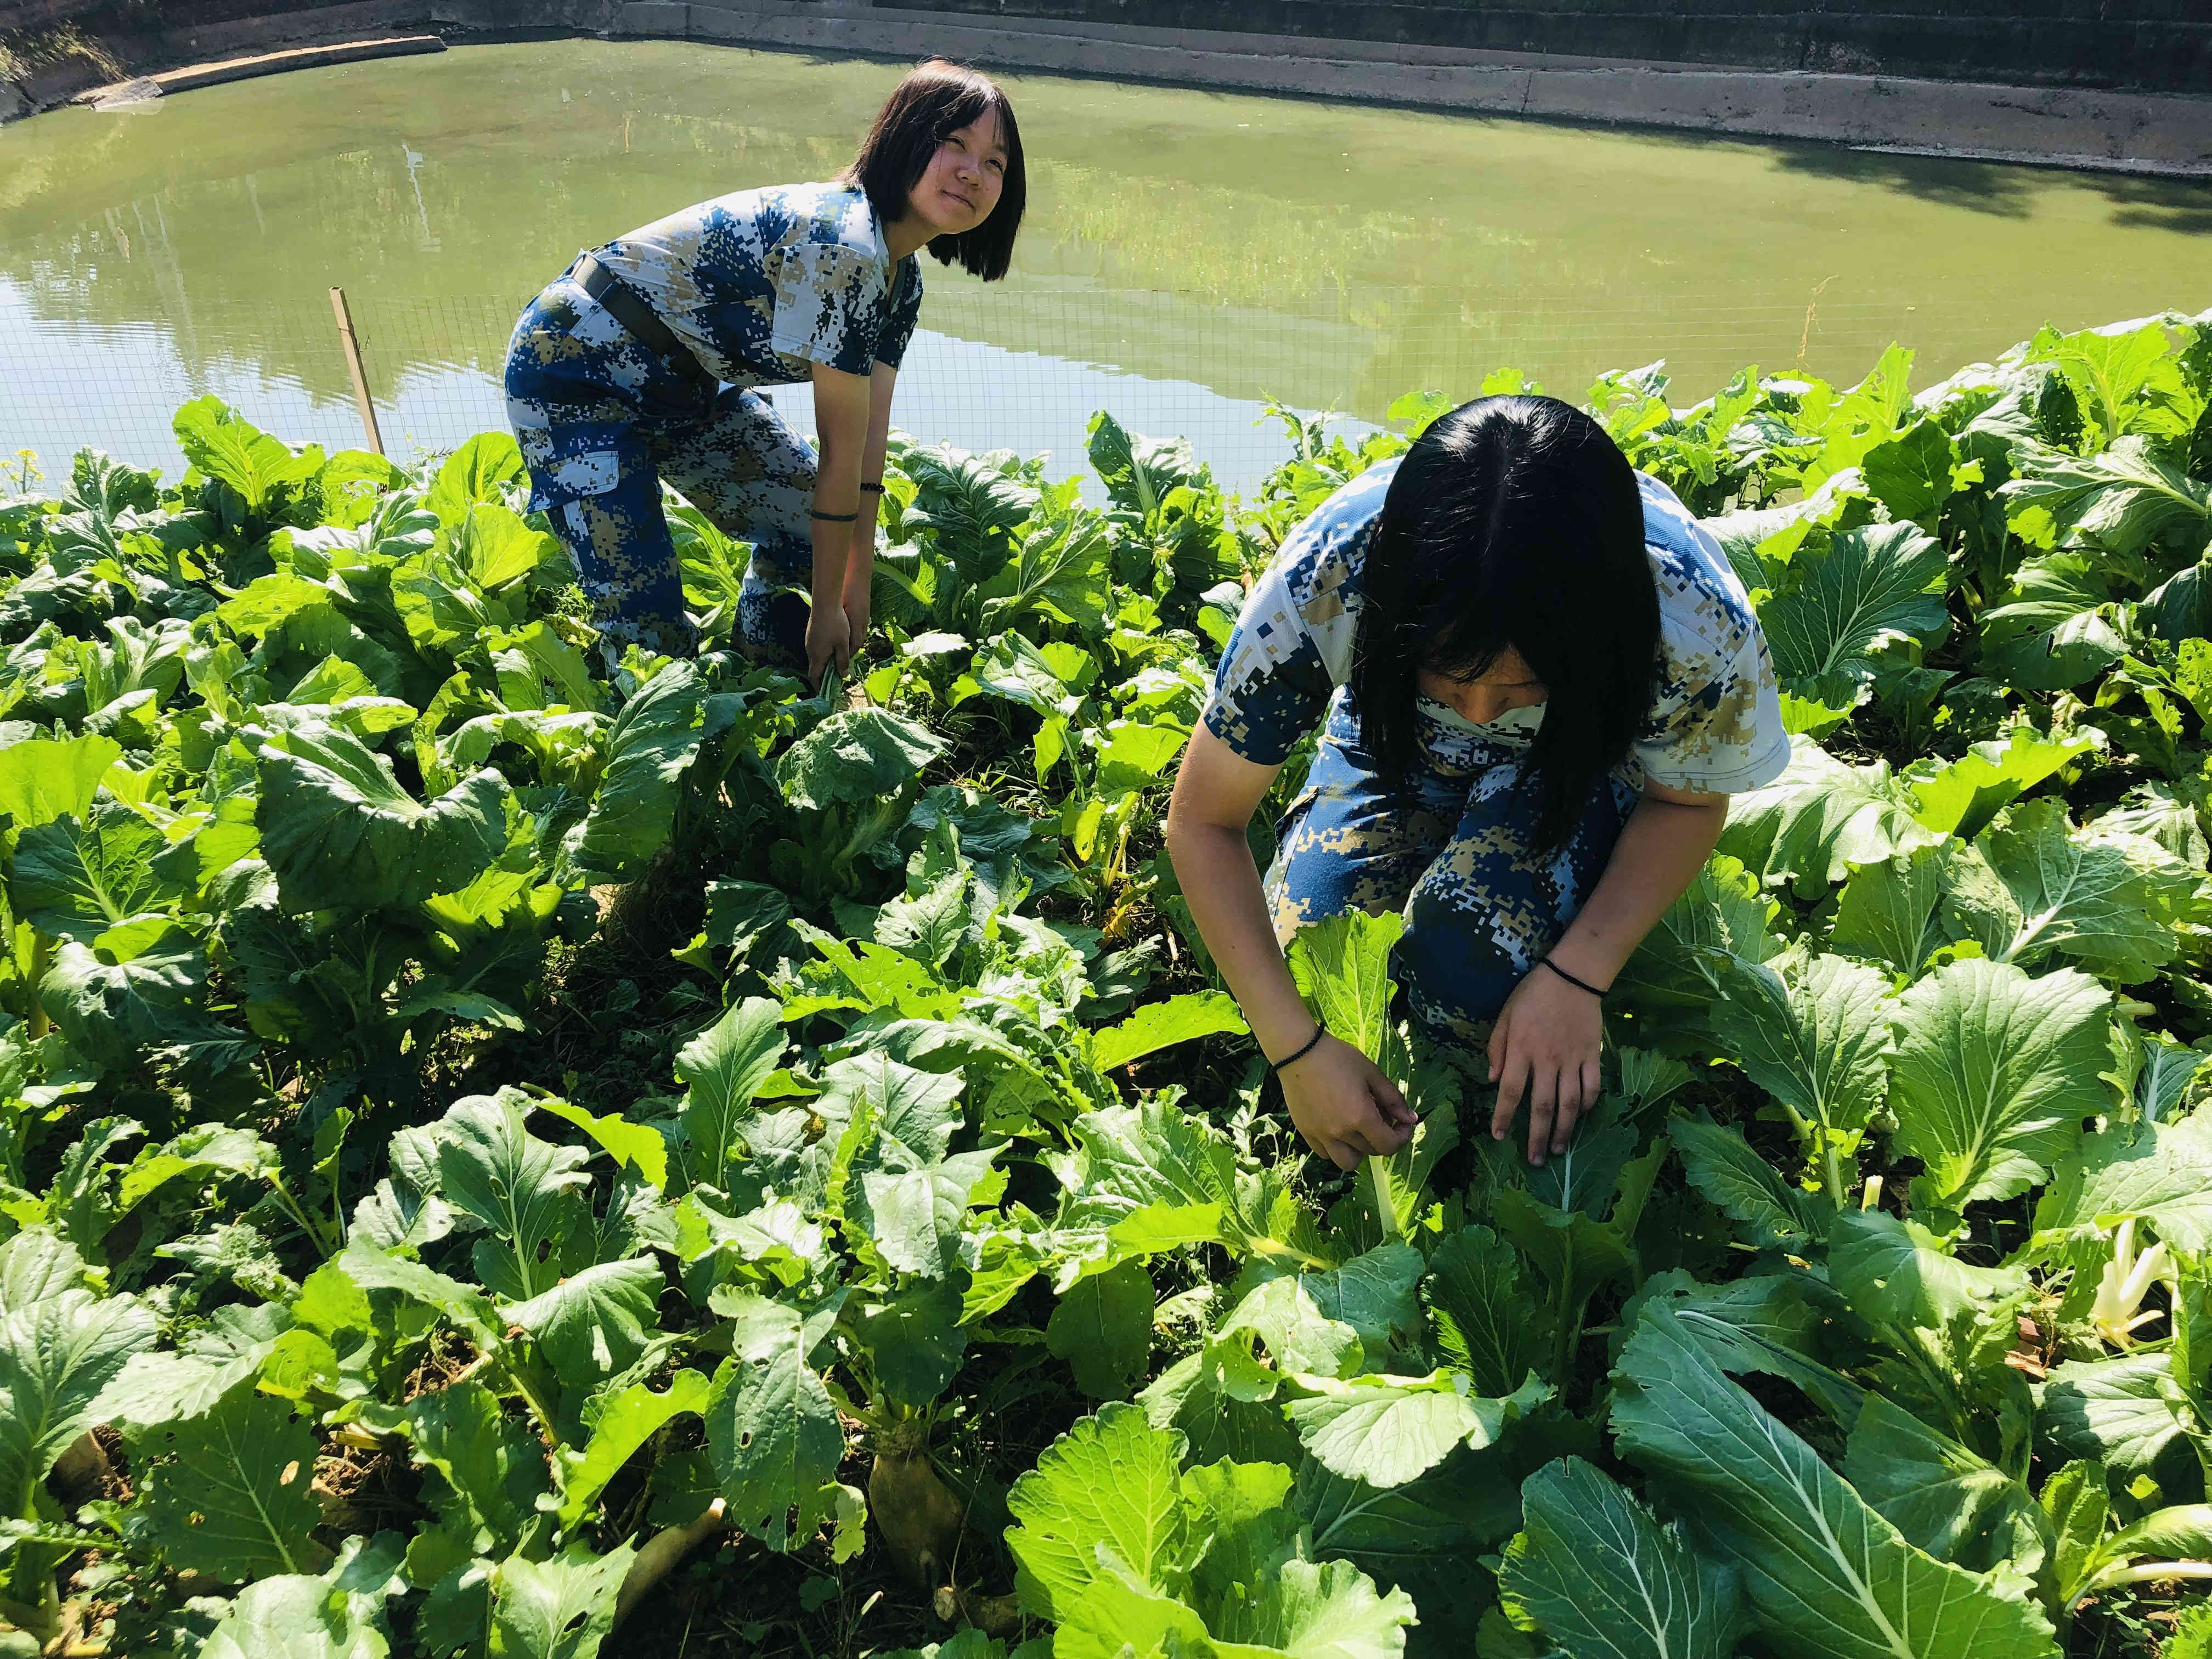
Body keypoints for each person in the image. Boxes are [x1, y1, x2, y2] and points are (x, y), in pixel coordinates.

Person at [1164, 396, 1790, 1173]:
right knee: (1315, 976)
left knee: (1470, 965)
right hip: (1392, 744)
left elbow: (1689, 803)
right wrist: (1295, 1051)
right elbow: (1203, 821)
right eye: (1449, 678)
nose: (1479, 711)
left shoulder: (1690, 624)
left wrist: (1576, 975)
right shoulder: (1333, 574)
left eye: (1521, 686)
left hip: (1587, 763)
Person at [504, 59, 1025, 684]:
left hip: (686, 384)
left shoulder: (899, 279)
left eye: (995, 163)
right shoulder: (844, 245)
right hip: (574, 371)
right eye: (955, 144)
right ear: (905, 139)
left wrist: (855, 583)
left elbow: (865, 451)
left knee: (805, 527)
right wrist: (830, 604)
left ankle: (770, 683)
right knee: (648, 627)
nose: (974, 172)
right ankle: (655, 745)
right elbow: (838, 450)